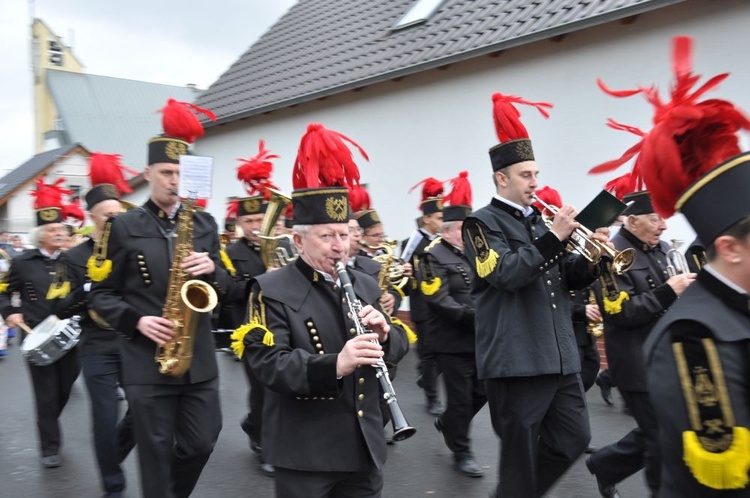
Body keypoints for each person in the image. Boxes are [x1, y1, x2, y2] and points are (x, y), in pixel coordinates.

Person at [594, 35, 750, 497]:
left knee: (655, 442)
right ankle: (606, 467)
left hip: (653, 359)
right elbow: (618, 311)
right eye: (653, 219)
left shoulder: (666, 253)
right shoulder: (695, 341)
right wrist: (669, 292)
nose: (662, 226)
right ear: (731, 247)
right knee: (655, 443)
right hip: (636, 362)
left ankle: (607, 467)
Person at [236, 123, 409, 497]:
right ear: (298, 240)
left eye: (344, 234)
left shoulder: (364, 282)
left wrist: (387, 335)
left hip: (363, 447)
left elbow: (398, 348)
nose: (339, 246)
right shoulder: (269, 289)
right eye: (327, 236)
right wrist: (336, 363)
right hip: (305, 454)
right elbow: (267, 365)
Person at [462, 93, 610, 498]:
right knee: (518, 456)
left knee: (573, 440)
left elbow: (566, 281)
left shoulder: (540, 223)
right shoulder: (479, 224)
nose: (535, 182)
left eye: (536, 173)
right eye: (525, 175)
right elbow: (504, 274)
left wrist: (593, 257)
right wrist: (554, 237)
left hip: (558, 355)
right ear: (501, 179)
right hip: (516, 360)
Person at [90, 99, 238, 498]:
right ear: (148, 174)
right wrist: (136, 321)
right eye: (166, 172)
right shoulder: (122, 227)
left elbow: (227, 288)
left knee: (202, 442)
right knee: (153, 452)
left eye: (179, 173)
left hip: (199, 360)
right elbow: (101, 296)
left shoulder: (205, 224)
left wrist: (214, 271)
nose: (174, 181)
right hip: (145, 358)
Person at [54, 153, 136, 497]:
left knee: (145, 409)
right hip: (96, 344)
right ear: (92, 218)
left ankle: (112, 455)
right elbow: (59, 305)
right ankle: (113, 484)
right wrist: (89, 287)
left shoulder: (133, 250)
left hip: (132, 339)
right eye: (108, 217)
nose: (115, 222)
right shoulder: (72, 257)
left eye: (119, 215)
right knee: (104, 416)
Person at [0, 179, 80, 468]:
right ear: (40, 235)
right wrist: (9, 311)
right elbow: (5, 292)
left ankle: (49, 421)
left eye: (61, 229)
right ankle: (50, 447)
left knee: (65, 386)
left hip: (69, 334)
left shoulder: (72, 261)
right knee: (46, 394)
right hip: (36, 335)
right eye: (53, 230)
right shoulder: (23, 262)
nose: (60, 233)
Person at [420, 173, 487, 478]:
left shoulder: (474, 256)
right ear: (447, 231)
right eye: (465, 230)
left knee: (484, 391)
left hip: (480, 339)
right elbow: (438, 300)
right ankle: (462, 450)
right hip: (451, 341)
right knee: (460, 399)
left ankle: (449, 423)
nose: (471, 234)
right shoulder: (430, 258)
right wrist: (472, 316)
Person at [401, 177, 444, 415]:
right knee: (429, 353)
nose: (441, 221)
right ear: (427, 218)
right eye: (438, 218)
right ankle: (432, 397)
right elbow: (402, 278)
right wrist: (408, 273)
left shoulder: (444, 242)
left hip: (444, 305)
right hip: (423, 306)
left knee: (442, 352)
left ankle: (426, 377)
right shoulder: (411, 243)